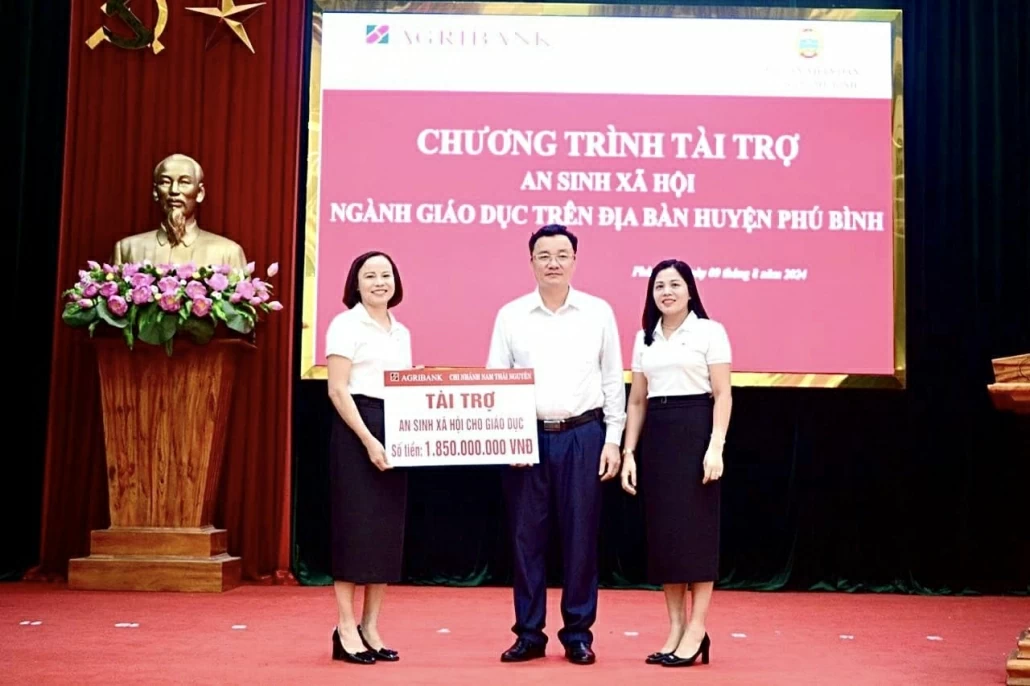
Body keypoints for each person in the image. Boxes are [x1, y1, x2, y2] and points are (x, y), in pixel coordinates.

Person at [486, 224, 626, 666]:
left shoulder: (598, 312)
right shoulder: (511, 315)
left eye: (562, 255)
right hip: (525, 437)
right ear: (531, 262)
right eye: (544, 255)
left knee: (581, 538)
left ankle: (578, 634)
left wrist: (613, 440)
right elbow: (496, 380)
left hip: (584, 436)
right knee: (526, 539)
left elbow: (612, 380)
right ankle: (529, 634)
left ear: (574, 261)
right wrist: (505, 438)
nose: (553, 263)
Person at [619, 258, 732, 668]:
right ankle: (676, 628)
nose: (666, 292)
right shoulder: (644, 338)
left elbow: (723, 394)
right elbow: (637, 401)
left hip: (696, 431)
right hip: (659, 436)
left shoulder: (709, 331)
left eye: (674, 284)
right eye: (659, 286)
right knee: (666, 538)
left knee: (696, 537)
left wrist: (716, 446)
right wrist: (629, 452)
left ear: (689, 290)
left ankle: (697, 629)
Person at [325, 251, 411, 665]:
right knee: (353, 531)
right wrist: (368, 440)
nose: (380, 282)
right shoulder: (345, 324)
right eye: (370, 276)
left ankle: (370, 627)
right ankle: (345, 628)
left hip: (395, 430)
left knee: (384, 534)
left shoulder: (402, 331)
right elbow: (337, 389)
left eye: (386, 275)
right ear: (356, 284)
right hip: (356, 429)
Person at [111, 153, 247, 269]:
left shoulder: (228, 253)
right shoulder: (127, 249)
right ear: (155, 192)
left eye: (184, 182)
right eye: (165, 182)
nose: (174, 190)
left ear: (200, 193)